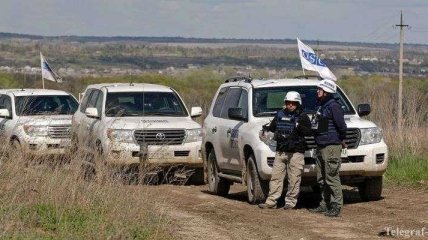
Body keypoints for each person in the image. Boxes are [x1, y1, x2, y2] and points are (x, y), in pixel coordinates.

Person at [258, 91, 312, 210]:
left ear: (298, 103)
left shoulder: (303, 116)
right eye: (288, 103)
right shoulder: (279, 114)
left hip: (296, 152)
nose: (290, 105)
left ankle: (290, 203)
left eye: (293, 103)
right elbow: (272, 128)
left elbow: (309, 132)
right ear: (285, 103)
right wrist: (265, 130)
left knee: (294, 178)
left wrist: (299, 126)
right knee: (276, 177)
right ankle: (271, 202)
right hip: (281, 151)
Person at [309, 79, 347, 217]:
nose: (317, 91)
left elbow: (342, 127)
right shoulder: (322, 106)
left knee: (331, 177)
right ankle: (325, 204)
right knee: (321, 178)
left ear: (326, 92)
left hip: (331, 146)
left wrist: (340, 139)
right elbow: (321, 126)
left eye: (320, 89)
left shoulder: (333, 106)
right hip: (321, 145)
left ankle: (336, 206)